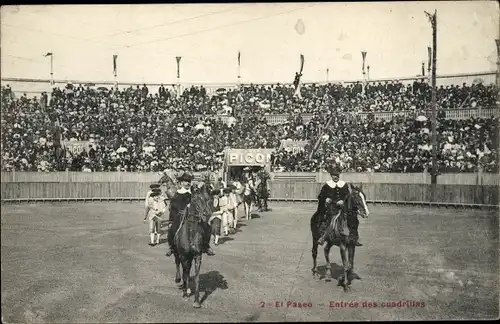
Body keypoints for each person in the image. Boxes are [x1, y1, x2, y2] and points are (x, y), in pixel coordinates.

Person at [165, 172, 215, 257]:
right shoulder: (178, 193)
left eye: (189, 181)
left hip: (194, 216)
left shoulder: (194, 192)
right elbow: (173, 207)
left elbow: (202, 201)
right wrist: (171, 220)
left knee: (207, 227)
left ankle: (206, 246)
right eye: (185, 181)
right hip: (180, 216)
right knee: (171, 229)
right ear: (181, 183)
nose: (187, 183)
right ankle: (171, 247)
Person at [316, 164, 362, 247]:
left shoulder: (343, 184)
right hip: (332, 206)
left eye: (337, 175)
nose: (336, 177)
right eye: (334, 175)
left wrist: (343, 201)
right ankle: (323, 237)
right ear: (331, 176)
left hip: (343, 206)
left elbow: (348, 196)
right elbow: (320, 196)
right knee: (329, 218)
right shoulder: (327, 185)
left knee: (353, 219)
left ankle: (354, 238)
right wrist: (326, 198)